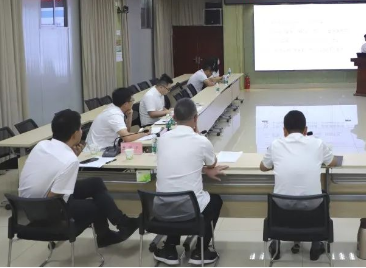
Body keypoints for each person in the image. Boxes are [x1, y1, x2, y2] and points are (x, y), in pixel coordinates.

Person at [18, 110, 138, 247]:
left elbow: (56, 171)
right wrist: (73, 159)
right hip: (46, 208)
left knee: (95, 183)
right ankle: (106, 235)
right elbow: (53, 197)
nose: (81, 131)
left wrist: (73, 156)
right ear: (75, 134)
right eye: (80, 128)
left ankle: (122, 222)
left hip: (27, 205)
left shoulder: (42, 145)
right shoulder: (69, 160)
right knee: (97, 205)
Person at [153, 98, 228, 266]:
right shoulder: (201, 141)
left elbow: (178, 162)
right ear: (196, 118)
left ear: (174, 118)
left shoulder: (163, 139)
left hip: (162, 207)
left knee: (175, 195)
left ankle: (169, 249)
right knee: (215, 201)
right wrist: (197, 133)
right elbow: (212, 163)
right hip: (189, 209)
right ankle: (200, 250)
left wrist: (201, 168)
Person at [260, 110, 339, 261]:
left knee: (278, 193)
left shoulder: (275, 145)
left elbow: (263, 167)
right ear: (305, 130)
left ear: (284, 131)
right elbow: (333, 162)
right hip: (312, 206)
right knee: (323, 194)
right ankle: (316, 244)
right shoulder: (317, 143)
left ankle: (276, 244)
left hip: (282, 206)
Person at [86, 87, 150, 150]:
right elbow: (127, 138)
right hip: (97, 151)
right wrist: (143, 134)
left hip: (105, 147)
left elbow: (126, 132)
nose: (133, 102)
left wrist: (129, 116)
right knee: (138, 150)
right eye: (132, 100)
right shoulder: (114, 114)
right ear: (125, 104)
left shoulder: (114, 108)